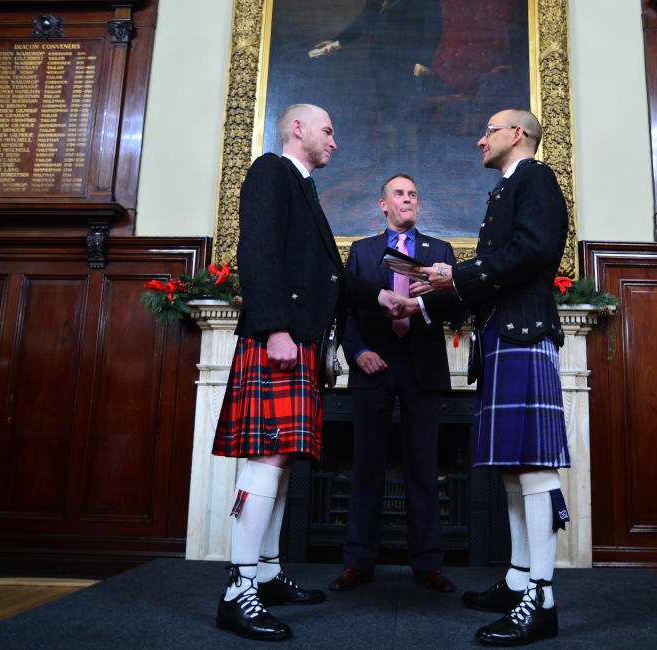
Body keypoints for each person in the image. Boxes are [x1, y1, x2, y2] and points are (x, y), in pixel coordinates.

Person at [212, 103, 398, 642]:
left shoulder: (304, 190)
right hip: (281, 338)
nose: (335, 142)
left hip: (300, 341)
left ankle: (266, 576)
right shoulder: (271, 171)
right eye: (329, 131)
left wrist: (380, 294)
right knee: (266, 455)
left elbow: (329, 277)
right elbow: (259, 252)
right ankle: (237, 590)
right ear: (298, 129)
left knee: (283, 460)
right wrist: (274, 327)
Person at [389, 109, 571, 645]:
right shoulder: (506, 190)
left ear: (517, 134)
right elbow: (501, 268)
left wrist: (456, 274)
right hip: (503, 331)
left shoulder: (536, 178)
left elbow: (534, 252)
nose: (479, 139)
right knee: (516, 470)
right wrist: (439, 290)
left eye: (488, 130)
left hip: (522, 332)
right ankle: (519, 581)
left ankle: (542, 598)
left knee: (534, 467)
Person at [328, 174, 457, 594]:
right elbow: (345, 309)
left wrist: (432, 295)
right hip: (374, 365)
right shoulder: (362, 252)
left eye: (413, 194)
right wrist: (357, 351)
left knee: (423, 468)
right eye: (399, 194)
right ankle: (358, 562)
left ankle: (428, 564)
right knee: (366, 467)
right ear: (382, 204)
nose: (408, 200)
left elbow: (456, 310)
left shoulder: (440, 253)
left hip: (422, 365)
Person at [311, 0, 442, 170]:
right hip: (381, 62)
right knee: (388, 114)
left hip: (410, 63)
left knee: (409, 117)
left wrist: (424, 60)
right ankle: (392, 170)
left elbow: (434, 28)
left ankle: (413, 171)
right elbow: (364, 21)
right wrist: (335, 43)